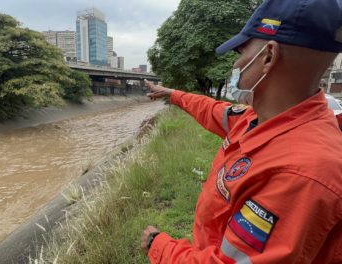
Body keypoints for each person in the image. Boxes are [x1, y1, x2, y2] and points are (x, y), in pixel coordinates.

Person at [141, 0, 342, 263]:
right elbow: (212, 109)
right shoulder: (259, 119)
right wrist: (173, 94)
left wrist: (160, 246)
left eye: (241, 52)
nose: (236, 65)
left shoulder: (301, 173)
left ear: (268, 56)